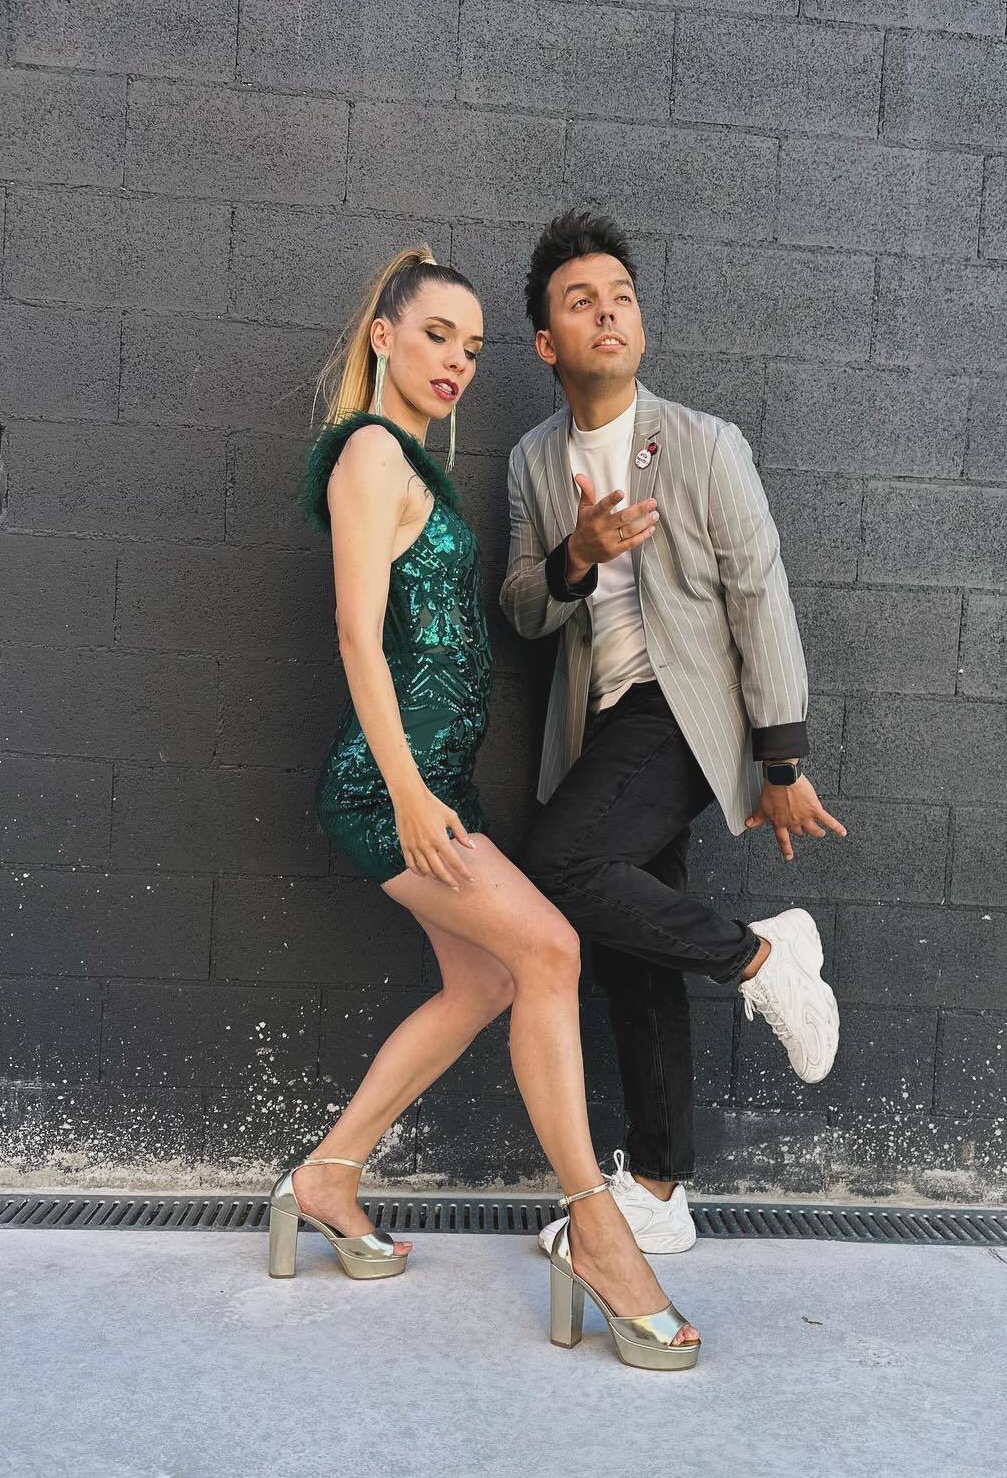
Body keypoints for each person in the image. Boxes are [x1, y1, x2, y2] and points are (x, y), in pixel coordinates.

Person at [271, 244, 700, 1370]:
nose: (457, 361)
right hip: (392, 787)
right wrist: (411, 793)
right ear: (383, 337)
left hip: (435, 786)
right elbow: (357, 636)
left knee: (488, 981)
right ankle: (598, 1233)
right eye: (435, 337)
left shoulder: (412, 461)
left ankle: (325, 1178)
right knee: (550, 949)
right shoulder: (370, 451)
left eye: (471, 346)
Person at [500, 210, 845, 1258]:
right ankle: (658, 1187)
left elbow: (760, 596)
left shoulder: (704, 443)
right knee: (630, 952)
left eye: (622, 298)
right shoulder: (532, 460)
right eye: (581, 302)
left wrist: (781, 757)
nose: (608, 313)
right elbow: (522, 607)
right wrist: (576, 553)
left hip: (684, 715)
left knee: (560, 864)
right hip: (602, 727)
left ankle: (759, 958)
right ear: (547, 343)